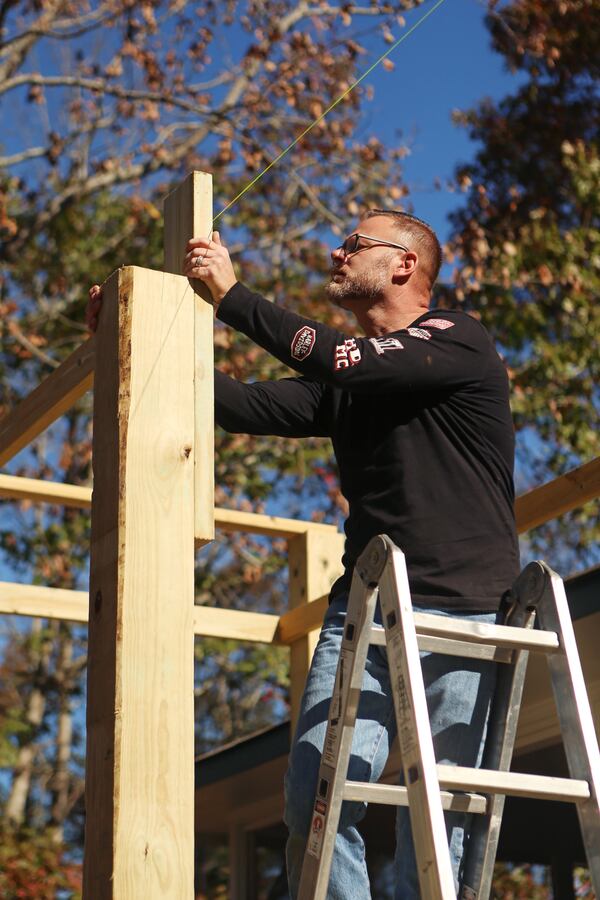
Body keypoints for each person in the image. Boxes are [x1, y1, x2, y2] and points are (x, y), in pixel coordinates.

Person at [88, 210, 519, 898]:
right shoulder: (350, 387)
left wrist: (232, 298)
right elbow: (241, 404)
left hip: (463, 615)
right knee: (316, 798)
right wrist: (126, 338)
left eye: (354, 245)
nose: (335, 253)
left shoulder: (456, 338)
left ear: (405, 265)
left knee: (441, 820)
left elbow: (344, 359)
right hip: (366, 613)